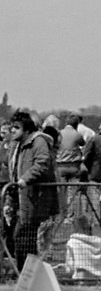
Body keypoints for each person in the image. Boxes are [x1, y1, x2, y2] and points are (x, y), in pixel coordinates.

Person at [6, 111, 56, 259]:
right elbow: (13, 174)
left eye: (16, 127)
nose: (12, 130)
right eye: (11, 127)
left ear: (26, 130)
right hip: (19, 200)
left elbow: (41, 164)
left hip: (35, 200)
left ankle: (27, 275)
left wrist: (25, 179)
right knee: (20, 240)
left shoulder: (38, 142)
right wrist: (8, 202)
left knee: (24, 239)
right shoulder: (16, 146)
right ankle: (25, 275)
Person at [60, 213, 101, 280]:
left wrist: (65, 266)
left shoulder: (72, 243)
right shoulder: (99, 244)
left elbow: (69, 270)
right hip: (100, 280)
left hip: (80, 280)